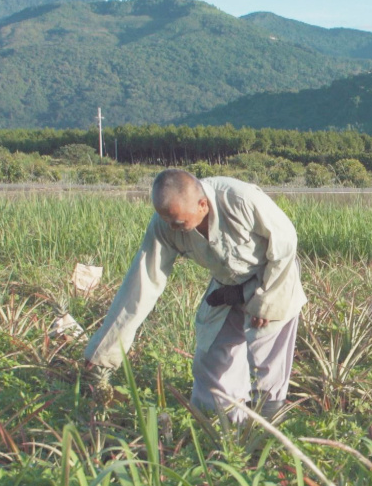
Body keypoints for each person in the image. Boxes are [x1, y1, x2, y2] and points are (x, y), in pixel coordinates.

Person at [83, 169, 307, 421]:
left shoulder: (239, 199)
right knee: (210, 356)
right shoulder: (165, 225)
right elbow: (141, 282)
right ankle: (220, 426)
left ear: (203, 205)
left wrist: (267, 302)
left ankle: (268, 432)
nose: (172, 228)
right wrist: (104, 349)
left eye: (178, 222)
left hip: (273, 276)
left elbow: (285, 245)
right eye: (166, 220)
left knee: (266, 360)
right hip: (226, 286)